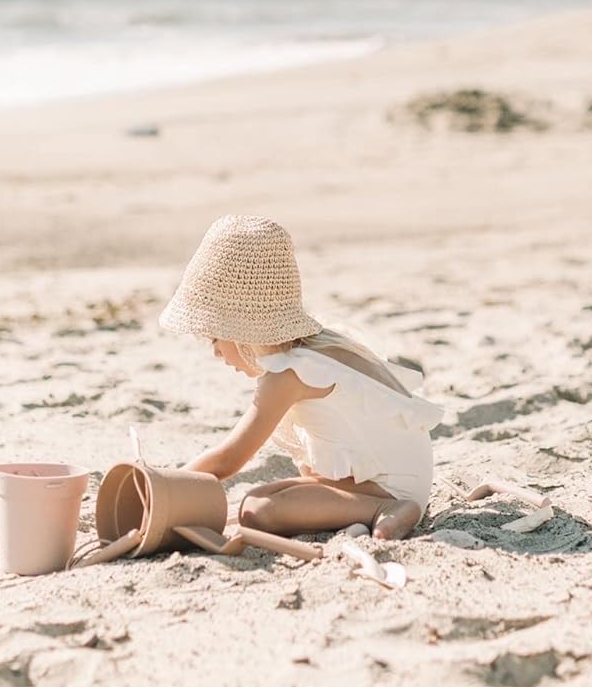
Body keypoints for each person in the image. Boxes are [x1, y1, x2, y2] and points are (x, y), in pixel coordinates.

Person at [159, 214, 444, 540]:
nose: (216, 353)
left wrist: (164, 489)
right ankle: (373, 507)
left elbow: (227, 460)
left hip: (392, 490)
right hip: (390, 478)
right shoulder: (322, 346)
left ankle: (384, 511)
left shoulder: (287, 375)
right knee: (254, 499)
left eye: (214, 338)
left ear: (241, 329)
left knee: (258, 512)